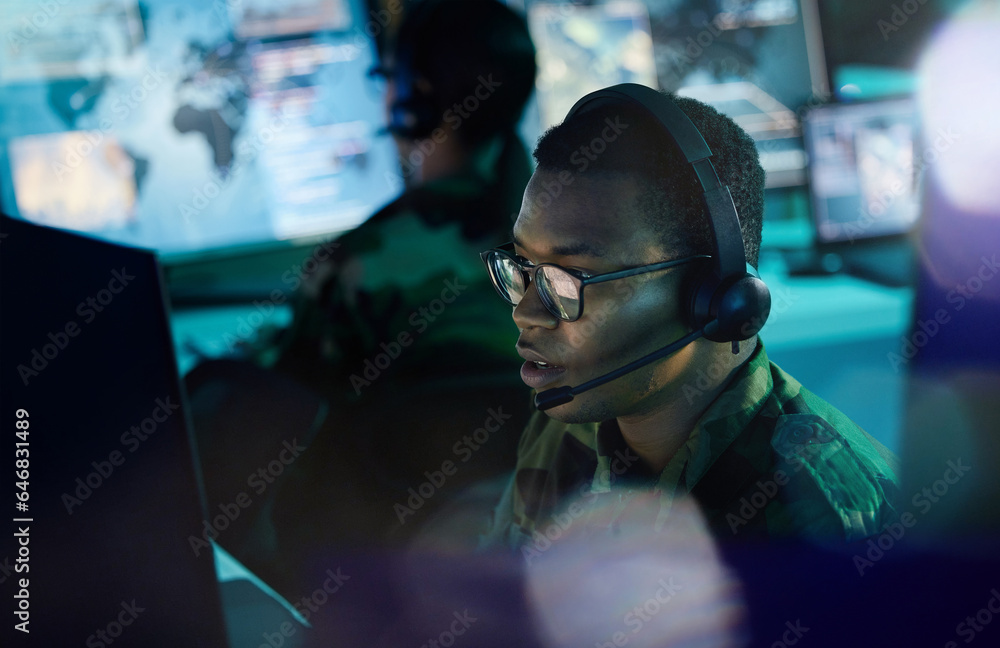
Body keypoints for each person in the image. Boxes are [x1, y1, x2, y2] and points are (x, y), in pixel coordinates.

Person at [186, 0, 538, 596]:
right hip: (517, 535)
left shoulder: (361, 260)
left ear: (414, 94)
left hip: (377, 549)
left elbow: (291, 391)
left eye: (388, 77)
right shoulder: (561, 241)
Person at [477, 84, 901, 555]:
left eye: (569, 278)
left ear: (714, 297)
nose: (525, 311)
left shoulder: (825, 515)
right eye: (522, 269)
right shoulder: (567, 426)